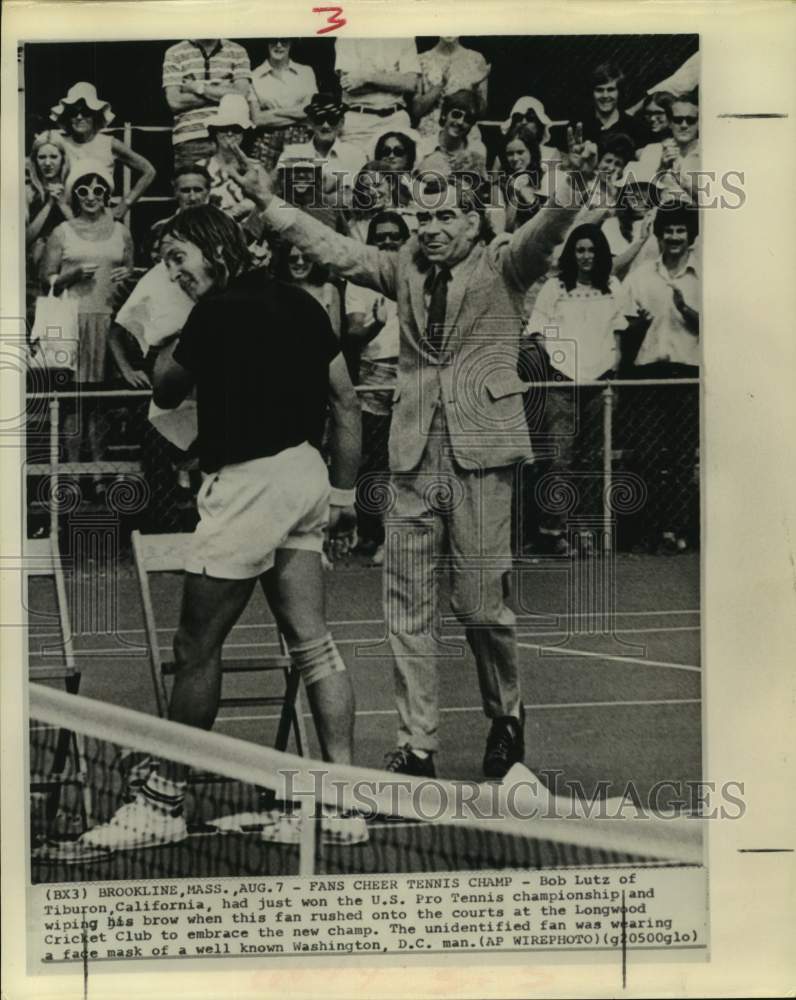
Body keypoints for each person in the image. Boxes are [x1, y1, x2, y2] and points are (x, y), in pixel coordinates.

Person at [231, 132, 603, 779]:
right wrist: (269, 203)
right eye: (421, 218)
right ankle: (418, 743)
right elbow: (337, 251)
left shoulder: (504, 265)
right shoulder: (401, 266)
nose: (429, 230)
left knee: (481, 605)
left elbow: (548, 232)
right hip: (411, 456)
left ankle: (506, 716)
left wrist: (572, 183)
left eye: (442, 218)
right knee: (406, 605)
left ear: (471, 218)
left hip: (480, 453)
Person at [81, 204, 363, 850]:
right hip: (304, 475)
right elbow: (346, 403)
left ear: (213, 250)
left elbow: (166, 391)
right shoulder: (303, 305)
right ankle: (342, 802)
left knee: (194, 647)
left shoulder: (209, 314)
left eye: (178, 257)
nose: (172, 271)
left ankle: (163, 800)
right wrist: (344, 495)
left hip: (248, 486)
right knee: (313, 643)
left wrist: (154, 327)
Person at [521, 224, 622, 555]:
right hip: (563, 382)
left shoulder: (612, 287)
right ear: (571, 254)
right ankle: (553, 532)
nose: (586, 256)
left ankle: (589, 533)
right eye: (580, 250)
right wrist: (562, 361)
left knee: (595, 460)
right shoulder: (554, 288)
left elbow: (618, 332)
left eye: (592, 250)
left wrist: (610, 367)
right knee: (559, 458)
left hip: (601, 384)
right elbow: (540, 331)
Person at [40, 160, 134, 497]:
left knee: (99, 403)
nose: (91, 196)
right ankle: (71, 472)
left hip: (107, 322)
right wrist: (73, 275)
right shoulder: (62, 232)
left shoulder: (121, 229)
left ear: (108, 193)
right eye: (83, 190)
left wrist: (128, 274)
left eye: (98, 190)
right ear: (75, 194)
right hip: (71, 321)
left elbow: (128, 269)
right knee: (72, 402)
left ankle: (96, 473)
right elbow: (45, 279)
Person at [613, 205, 700, 552]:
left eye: (681, 231)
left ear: (690, 237)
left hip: (687, 374)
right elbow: (620, 322)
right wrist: (637, 326)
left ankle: (674, 531)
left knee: (681, 458)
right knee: (647, 456)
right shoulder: (640, 277)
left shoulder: (702, 278)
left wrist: (686, 311)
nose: (674, 237)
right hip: (648, 375)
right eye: (669, 231)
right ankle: (649, 531)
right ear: (660, 235)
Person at [345, 211, 411, 564]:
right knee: (374, 459)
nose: (387, 241)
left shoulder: (420, 274)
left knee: (409, 459)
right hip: (374, 372)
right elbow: (354, 332)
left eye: (393, 235)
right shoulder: (360, 279)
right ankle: (370, 534)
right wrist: (375, 324)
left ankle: (400, 535)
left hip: (413, 371)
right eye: (380, 236)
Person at [50, 82, 156, 218]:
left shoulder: (108, 143)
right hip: (65, 215)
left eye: (86, 112)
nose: (79, 117)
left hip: (100, 217)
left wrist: (125, 205)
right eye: (74, 112)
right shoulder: (59, 143)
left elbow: (149, 171)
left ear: (95, 115)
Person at [162, 38, 252, 169]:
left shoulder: (238, 51)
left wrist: (198, 88)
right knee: (192, 188)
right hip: (191, 139)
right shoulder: (174, 52)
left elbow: (241, 95)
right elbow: (175, 101)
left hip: (229, 136)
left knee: (229, 189)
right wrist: (225, 91)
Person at [278, 93, 367, 209]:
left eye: (332, 119)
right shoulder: (292, 153)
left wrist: (312, 195)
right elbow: (285, 194)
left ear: (341, 123)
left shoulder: (355, 155)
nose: (325, 125)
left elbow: (351, 198)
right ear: (310, 122)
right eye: (319, 119)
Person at [334, 37, 419, 151]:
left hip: (396, 118)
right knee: (355, 164)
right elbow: (350, 86)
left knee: (401, 164)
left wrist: (367, 77)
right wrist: (393, 78)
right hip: (359, 123)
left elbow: (410, 84)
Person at [248, 38, 318, 171]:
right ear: (267, 42)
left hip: (302, 139)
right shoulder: (254, 76)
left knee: (298, 185)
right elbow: (258, 119)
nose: (279, 45)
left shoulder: (306, 72)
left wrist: (273, 112)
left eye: (284, 41)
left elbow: (309, 112)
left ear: (291, 43)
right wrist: (297, 114)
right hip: (267, 143)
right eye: (273, 40)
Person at [413, 37, 489, 145]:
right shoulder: (421, 60)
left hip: (463, 132)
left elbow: (482, 112)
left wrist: (473, 90)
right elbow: (417, 110)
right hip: (430, 136)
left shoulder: (476, 59)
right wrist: (439, 86)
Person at [635, 91, 700, 205]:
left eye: (690, 120)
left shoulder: (709, 152)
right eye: (678, 120)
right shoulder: (651, 151)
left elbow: (712, 201)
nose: (684, 125)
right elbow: (642, 201)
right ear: (670, 122)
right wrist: (662, 170)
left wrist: (677, 175)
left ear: (699, 123)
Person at [201, 94, 258, 224]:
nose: (230, 133)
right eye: (223, 128)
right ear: (215, 132)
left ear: (244, 134)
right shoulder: (200, 167)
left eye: (236, 129)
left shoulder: (257, 167)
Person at [415, 89, 488, 179]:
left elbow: (480, 187)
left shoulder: (477, 149)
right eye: (456, 114)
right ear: (444, 114)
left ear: (472, 124)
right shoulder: (424, 147)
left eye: (468, 119)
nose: (461, 122)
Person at [149, 163, 213, 257]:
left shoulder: (223, 227)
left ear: (208, 191)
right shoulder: (161, 229)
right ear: (175, 192)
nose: (192, 198)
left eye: (198, 190)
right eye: (185, 191)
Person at [578, 62, 645, 150]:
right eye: (599, 90)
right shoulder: (578, 126)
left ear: (619, 93)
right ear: (592, 93)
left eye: (611, 90)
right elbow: (555, 161)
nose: (605, 96)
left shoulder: (635, 127)